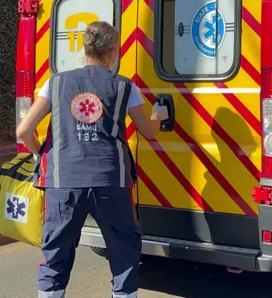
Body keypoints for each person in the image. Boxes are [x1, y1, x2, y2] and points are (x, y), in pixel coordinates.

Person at [15, 21, 169, 298]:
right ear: (112, 52)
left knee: (56, 254)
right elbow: (148, 130)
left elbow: (23, 130)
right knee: (123, 251)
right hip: (111, 180)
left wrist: (42, 153)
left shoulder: (56, 82)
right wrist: (159, 114)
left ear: (85, 49)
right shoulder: (124, 86)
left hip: (63, 182)